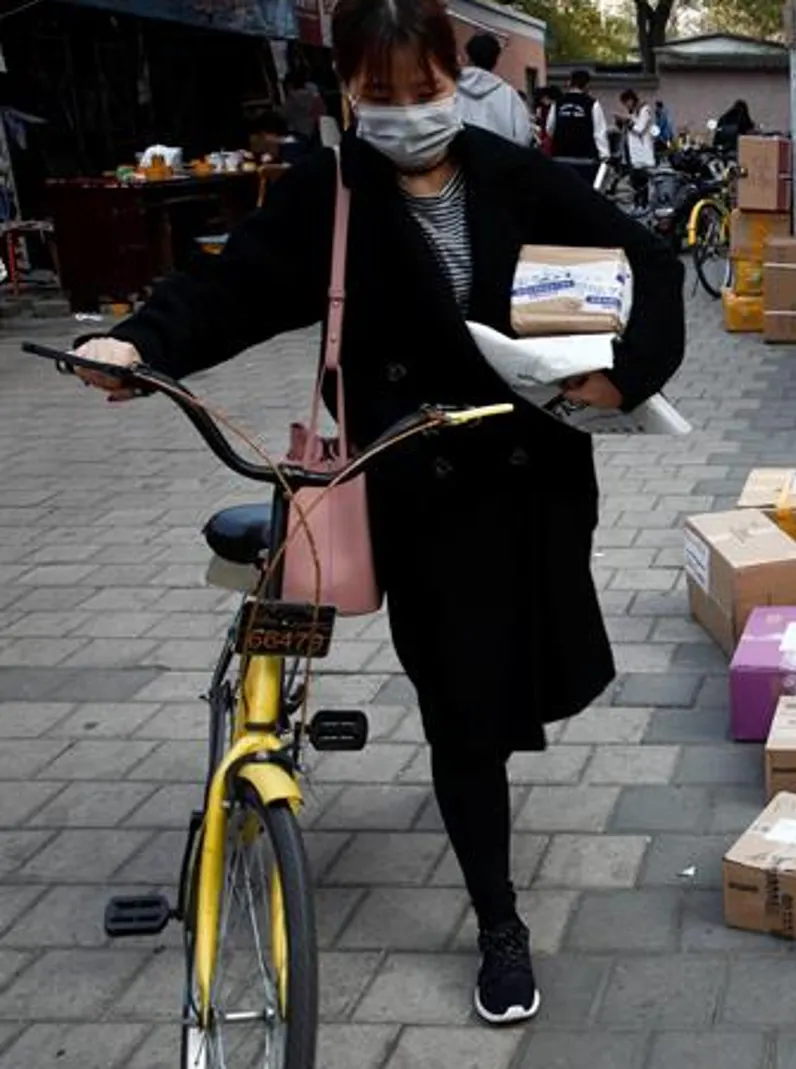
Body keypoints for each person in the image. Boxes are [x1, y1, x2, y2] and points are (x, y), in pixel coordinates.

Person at [68, 0, 684, 1027]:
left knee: (516, 681)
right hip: (415, 487)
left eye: (426, 90)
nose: (406, 114)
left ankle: (488, 803)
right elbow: (231, 287)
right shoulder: (331, 193)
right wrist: (140, 344)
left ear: (459, 78)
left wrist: (624, 374)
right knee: (463, 713)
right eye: (381, 95)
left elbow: (649, 266)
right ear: (347, 89)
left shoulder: (515, 175)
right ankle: (499, 924)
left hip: (531, 483)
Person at [455, 32, 534, 147]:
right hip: (499, 162)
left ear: (468, 56)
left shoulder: (449, 90)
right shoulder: (509, 95)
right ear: (496, 60)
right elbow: (524, 136)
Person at [545, 69, 609, 185]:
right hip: (585, 159)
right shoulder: (592, 103)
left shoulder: (558, 103)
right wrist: (604, 155)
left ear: (569, 83)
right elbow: (599, 132)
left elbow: (549, 129)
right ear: (587, 85)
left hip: (560, 157)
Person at [281, 70, 325, 141]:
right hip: (311, 130)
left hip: (297, 131)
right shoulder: (311, 96)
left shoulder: (292, 97)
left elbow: (285, 114)